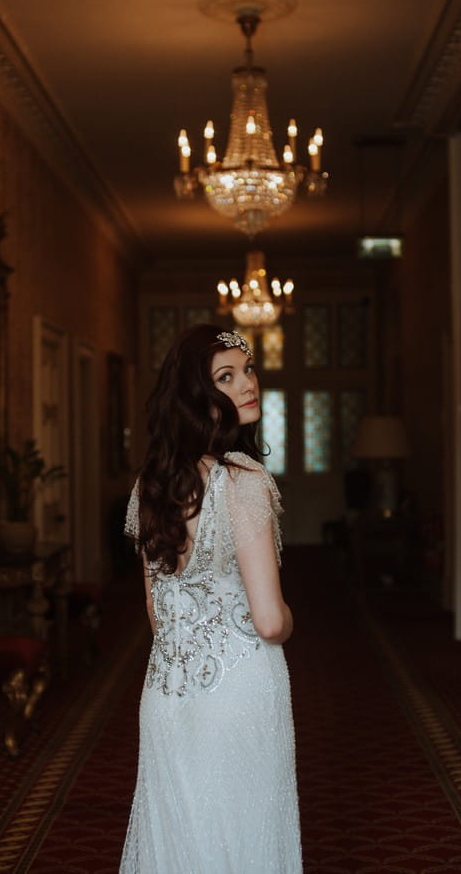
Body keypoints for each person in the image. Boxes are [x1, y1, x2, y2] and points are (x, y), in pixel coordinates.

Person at [119, 324, 302, 874]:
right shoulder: (244, 481)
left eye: (248, 371)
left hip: (166, 696)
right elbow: (269, 622)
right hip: (240, 692)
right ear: (198, 397)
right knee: (243, 841)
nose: (247, 385)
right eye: (227, 377)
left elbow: (158, 616)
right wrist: (291, 618)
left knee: (180, 841)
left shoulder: (149, 486)